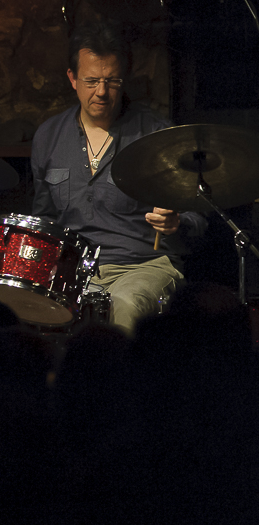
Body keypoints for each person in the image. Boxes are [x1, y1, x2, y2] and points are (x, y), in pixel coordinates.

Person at [30, 22, 205, 334]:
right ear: (72, 78)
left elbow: (199, 216)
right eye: (91, 81)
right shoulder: (48, 136)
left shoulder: (156, 134)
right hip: (76, 273)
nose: (101, 92)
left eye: (111, 81)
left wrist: (177, 223)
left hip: (143, 266)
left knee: (122, 305)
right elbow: (44, 220)